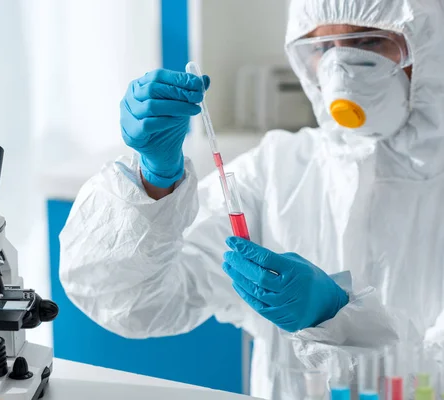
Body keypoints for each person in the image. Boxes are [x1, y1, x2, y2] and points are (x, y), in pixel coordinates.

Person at [59, 0, 444, 398]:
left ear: (428, 45)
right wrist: (155, 179)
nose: (341, 68)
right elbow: (132, 302)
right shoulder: (276, 170)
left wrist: (340, 319)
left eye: (369, 41)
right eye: (323, 48)